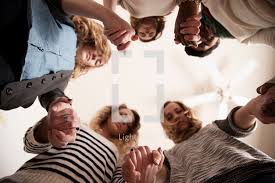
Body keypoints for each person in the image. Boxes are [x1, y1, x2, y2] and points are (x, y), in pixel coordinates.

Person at [121, 79, 275, 183]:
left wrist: (253, 106)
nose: (177, 116)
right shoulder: (167, 155)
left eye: (179, 110)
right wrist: (148, 169)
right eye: (170, 116)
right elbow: (161, 173)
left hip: (258, 174)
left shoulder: (214, 127)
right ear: (165, 126)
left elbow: (240, 118)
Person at [0, 0, 135, 111]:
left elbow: (53, 97)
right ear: (95, 40)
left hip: (11, 73)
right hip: (20, 15)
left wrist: (60, 105)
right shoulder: (70, 21)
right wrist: (108, 16)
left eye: (98, 62)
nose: (95, 58)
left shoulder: (64, 78)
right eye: (99, 53)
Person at [0, 102, 140, 182]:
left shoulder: (119, 158)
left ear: (126, 133)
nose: (123, 122)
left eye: (128, 124)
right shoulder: (77, 124)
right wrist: (47, 127)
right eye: (122, 115)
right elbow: (30, 144)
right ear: (109, 113)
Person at [177, 0, 275, 57]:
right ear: (216, 43)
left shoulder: (204, 3)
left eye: (197, 39)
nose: (201, 38)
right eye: (204, 44)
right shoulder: (245, 39)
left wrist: (188, 7)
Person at [104, 0, 200, 42]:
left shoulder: (130, 9)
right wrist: (189, 13)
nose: (147, 32)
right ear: (157, 28)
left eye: (142, 34)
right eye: (151, 34)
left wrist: (110, 19)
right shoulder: (168, 10)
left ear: (136, 28)